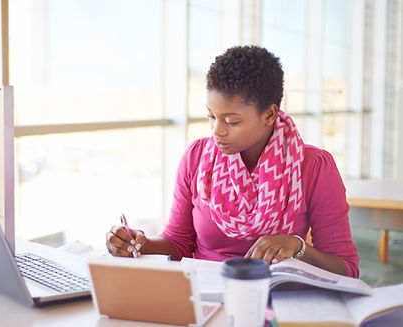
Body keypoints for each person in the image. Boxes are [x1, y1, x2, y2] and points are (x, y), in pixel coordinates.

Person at [106, 45, 359, 278]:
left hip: (278, 297)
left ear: (269, 114)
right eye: (211, 117)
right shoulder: (196, 159)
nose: (217, 131)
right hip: (205, 292)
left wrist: (297, 246)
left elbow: (346, 268)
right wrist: (138, 244)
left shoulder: (312, 166)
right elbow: (179, 243)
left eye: (231, 121)